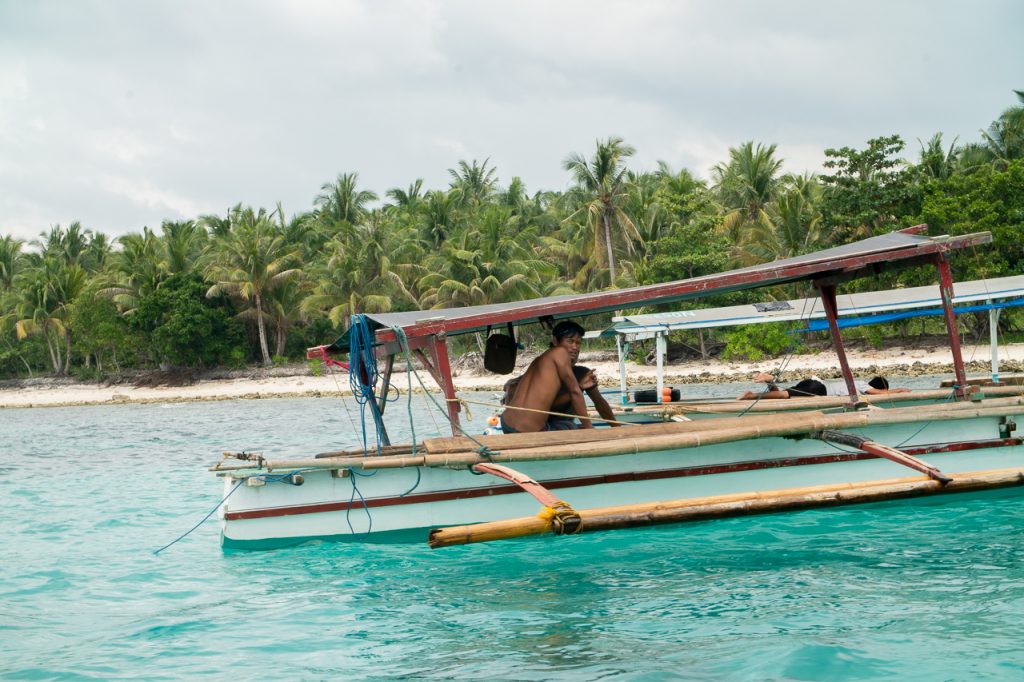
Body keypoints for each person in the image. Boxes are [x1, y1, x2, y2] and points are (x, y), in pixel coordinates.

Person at [500, 320, 619, 433]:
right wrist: (589, 429)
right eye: (570, 341)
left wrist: (580, 386)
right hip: (530, 430)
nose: (575, 347)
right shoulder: (560, 352)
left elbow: (599, 402)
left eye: (578, 343)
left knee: (569, 426)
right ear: (555, 341)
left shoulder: (541, 361)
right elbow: (575, 392)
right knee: (570, 426)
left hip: (506, 423)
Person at [737, 372, 911, 400]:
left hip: (814, 383)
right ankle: (752, 395)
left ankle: (770, 381)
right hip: (819, 390)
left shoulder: (855, 382)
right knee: (785, 396)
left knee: (784, 395)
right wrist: (899, 390)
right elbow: (878, 393)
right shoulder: (862, 385)